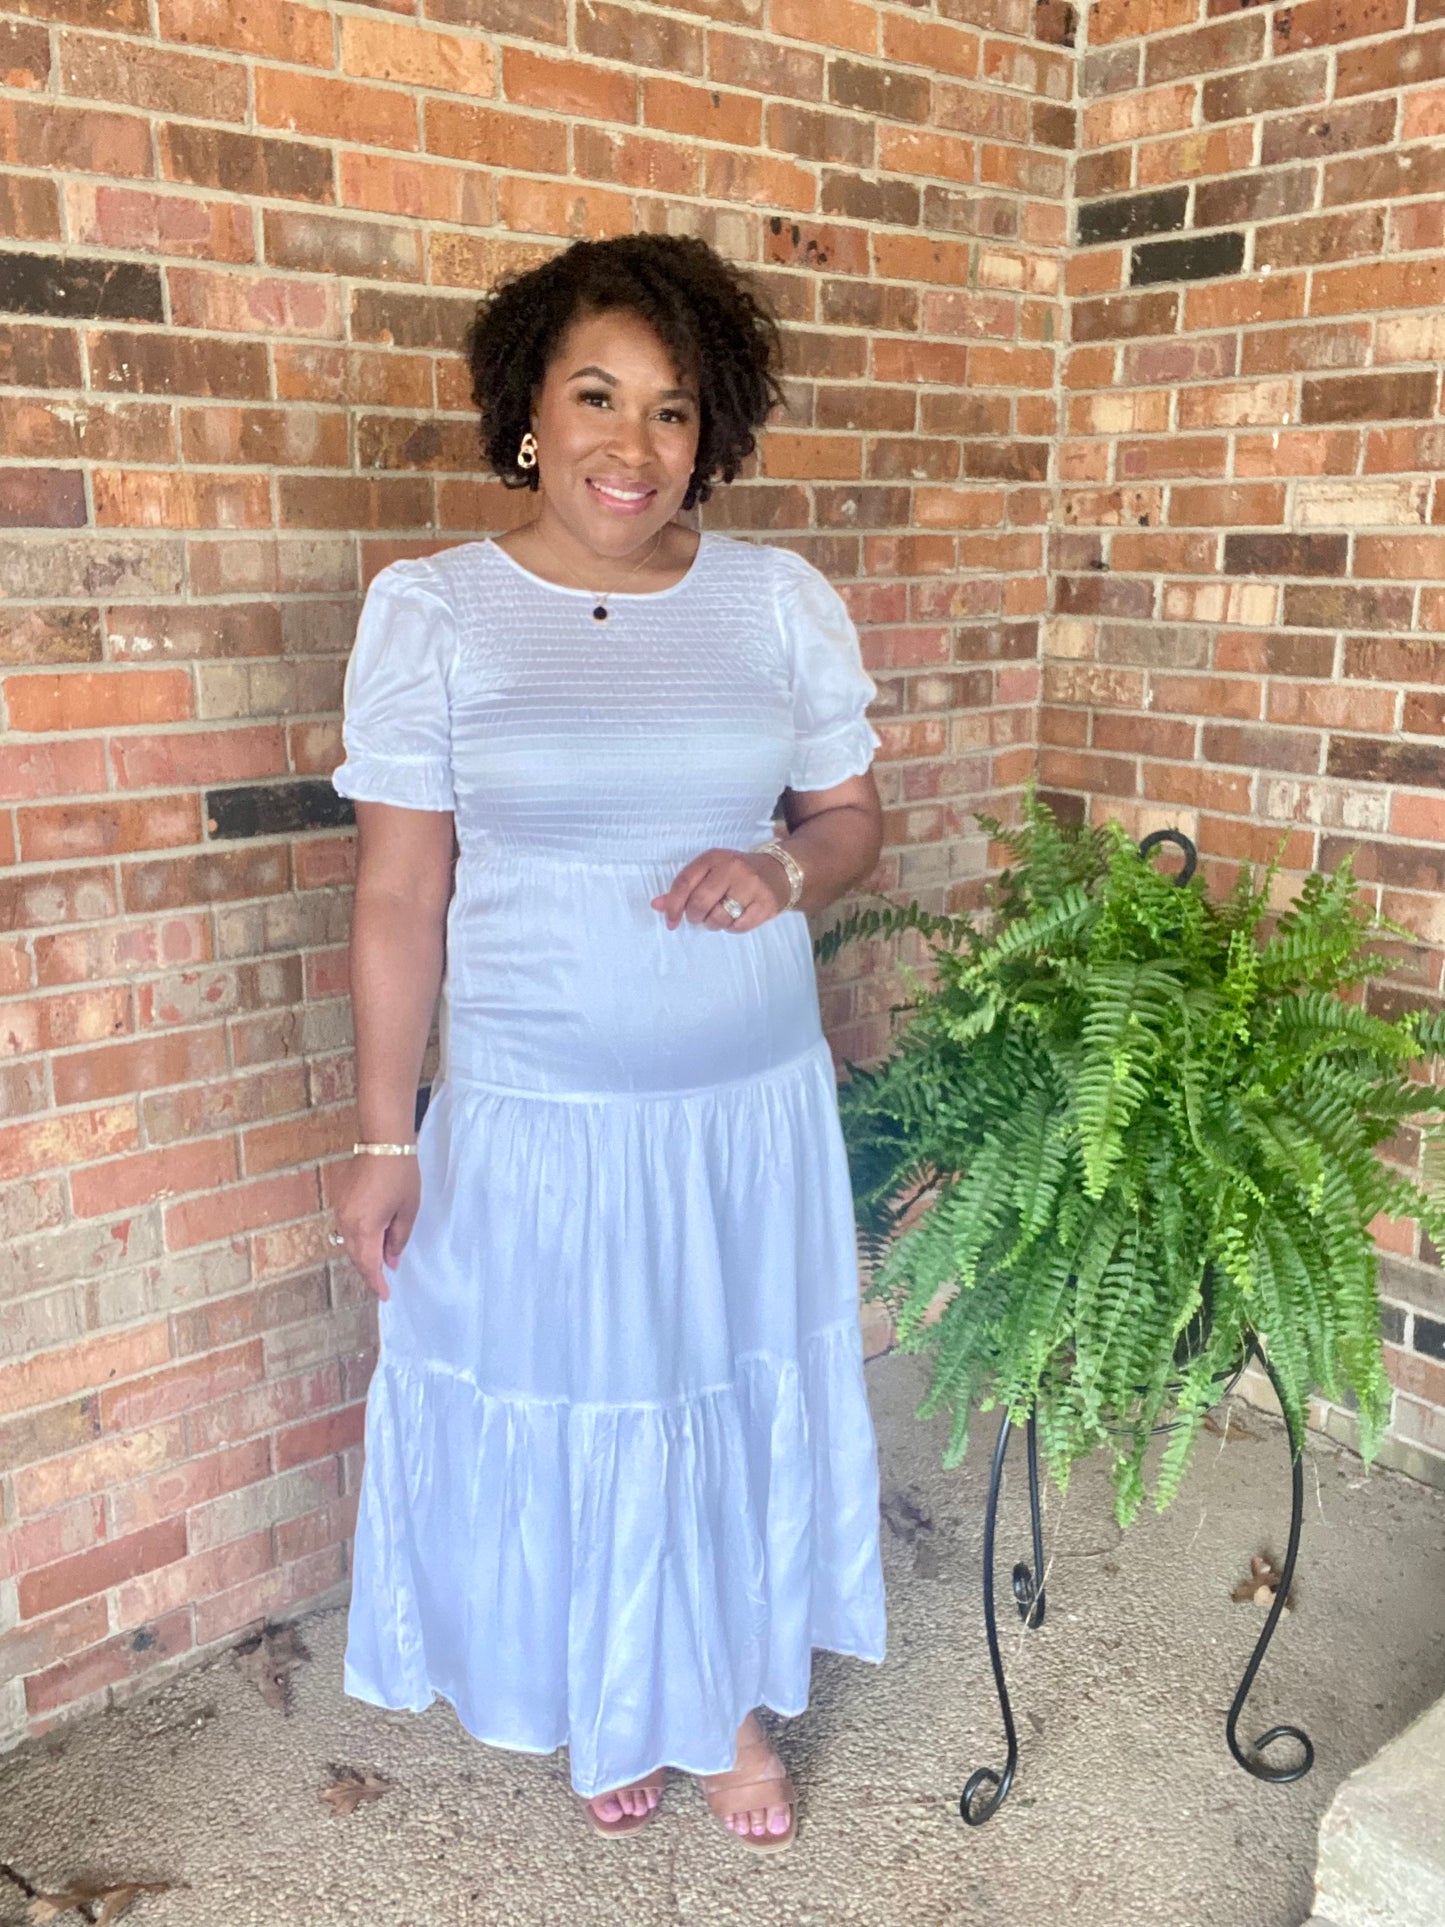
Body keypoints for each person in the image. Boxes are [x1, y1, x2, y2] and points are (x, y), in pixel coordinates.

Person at [329, 232, 888, 1853]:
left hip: (741, 1107)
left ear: (710, 430)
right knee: (580, 1398)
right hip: (538, 1109)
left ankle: (714, 1708)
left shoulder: (777, 603)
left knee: (712, 1393)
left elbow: (850, 820)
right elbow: (397, 890)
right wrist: (384, 1137)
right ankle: (610, 1681)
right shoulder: (432, 612)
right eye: (594, 397)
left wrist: (783, 866)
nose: (629, 446)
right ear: (526, 412)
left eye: (669, 409)